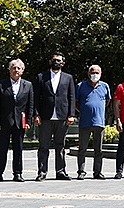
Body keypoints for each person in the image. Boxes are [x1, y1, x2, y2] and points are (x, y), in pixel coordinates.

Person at [33, 52, 76, 181]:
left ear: (63, 63)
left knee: (60, 146)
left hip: (62, 117)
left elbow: (71, 97)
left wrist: (71, 114)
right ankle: (42, 171)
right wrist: (36, 114)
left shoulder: (68, 78)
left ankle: (61, 171)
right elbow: (36, 97)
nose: (56, 62)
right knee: (43, 146)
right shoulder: (41, 77)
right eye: (54, 60)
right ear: (50, 61)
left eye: (59, 60)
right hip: (46, 117)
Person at [75, 65, 111, 180]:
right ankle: (81, 171)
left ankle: (97, 171)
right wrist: (84, 110)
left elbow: (108, 101)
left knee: (98, 150)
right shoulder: (81, 86)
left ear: (100, 74)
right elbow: (76, 102)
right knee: (82, 149)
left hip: (99, 122)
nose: (94, 74)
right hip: (85, 122)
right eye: (92, 72)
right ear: (88, 74)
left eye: (97, 72)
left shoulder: (105, 86)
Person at [0, 59, 33, 182]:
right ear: (9, 70)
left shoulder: (28, 85)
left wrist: (28, 121)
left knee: (18, 149)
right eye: (13, 68)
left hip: (20, 122)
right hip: (4, 122)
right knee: (2, 149)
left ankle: (18, 173)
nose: (16, 70)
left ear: (22, 71)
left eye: (18, 68)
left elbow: (30, 104)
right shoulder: (2, 85)